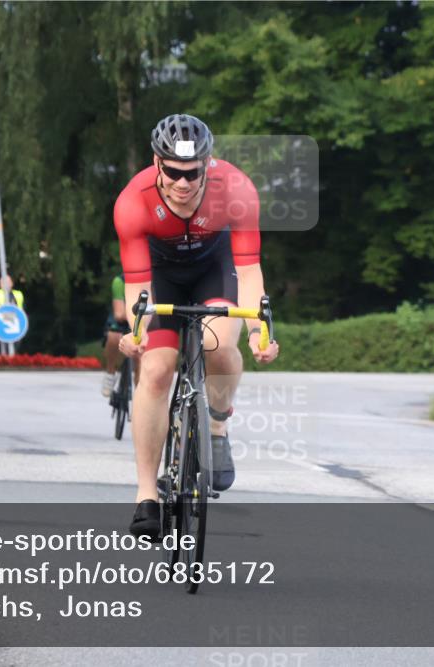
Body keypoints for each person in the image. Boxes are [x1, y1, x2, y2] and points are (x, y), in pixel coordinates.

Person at [114, 113, 280, 538]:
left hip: (215, 269)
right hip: (161, 274)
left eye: (192, 172)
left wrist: (260, 331)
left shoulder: (237, 190)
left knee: (218, 345)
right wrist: (136, 334)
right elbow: (138, 287)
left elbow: (248, 271)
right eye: (172, 172)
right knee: (154, 370)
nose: (183, 183)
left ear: (208, 163)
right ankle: (146, 496)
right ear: (156, 163)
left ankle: (218, 425)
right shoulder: (133, 201)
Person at [101, 274, 131, 397]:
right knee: (113, 336)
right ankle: (110, 371)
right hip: (124, 320)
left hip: (143, 319)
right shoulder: (120, 281)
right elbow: (119, 314)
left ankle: (140, 386)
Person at [0, 275, 25, 355]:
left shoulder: (18, 294)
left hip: (15, 324)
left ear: (11, 283)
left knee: (14, 347)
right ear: (0, 284)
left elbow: (21, 310)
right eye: (3, 282)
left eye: (8, 282)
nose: (5, 284)